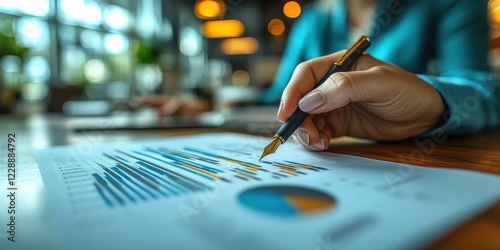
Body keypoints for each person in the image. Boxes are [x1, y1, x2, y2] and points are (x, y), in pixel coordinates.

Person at [141, 0, 500, 151]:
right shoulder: (313, 19)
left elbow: (484, 91)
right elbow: (278, 97)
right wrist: (205, 102)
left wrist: (434, 102)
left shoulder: (450, 4)